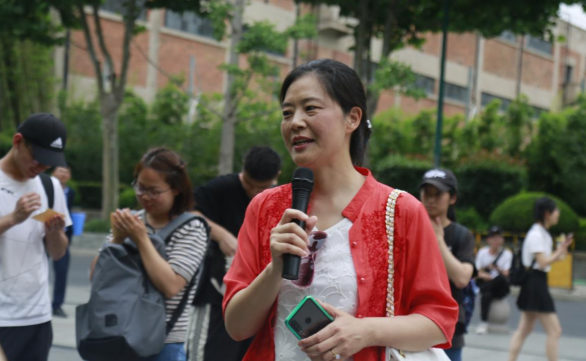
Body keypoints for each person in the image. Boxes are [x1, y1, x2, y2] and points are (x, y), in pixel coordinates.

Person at [223, 59, 458, 361]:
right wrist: (275, 268)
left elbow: (439, 321)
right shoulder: (264, 207)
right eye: (287, 112)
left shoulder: (400, 210)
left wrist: (366, 331)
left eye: (310, 108)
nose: (295, 122)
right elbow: (236, 327)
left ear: (352, 118)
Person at [91, 147, 209, 361]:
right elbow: (96, 277)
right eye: (140, 187)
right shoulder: (131, 220)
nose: (145, 196)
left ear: (176, 189)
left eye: (154, 191)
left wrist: (141, 239)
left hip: (163, 342)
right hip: (120, 335)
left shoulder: (192, 228)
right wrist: (116, 240)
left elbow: (171, 286)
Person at [0, 113, 72, 361]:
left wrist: (55, 233)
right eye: (38, 158)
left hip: (37, 317)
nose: (42, 167)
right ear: (18, 141)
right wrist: (13, 218)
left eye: (49, 162)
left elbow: (58, 253)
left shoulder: (50, 187)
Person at [189, 146, 281, 361]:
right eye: (249, 184)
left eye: (262, 187)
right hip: (216, 293)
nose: (254, 192)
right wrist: (220, 235)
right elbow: (188, 211)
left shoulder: (279, 198)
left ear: (277, 176)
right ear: (242, 170)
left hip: (257, 300)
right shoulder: (222, 188)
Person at [419, 169, 476, 361]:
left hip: (448, 330)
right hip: (412, 323)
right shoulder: (409, 228)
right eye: (426, 193)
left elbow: (462, 278)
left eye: (438, 194)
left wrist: (438, 240)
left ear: (452, 198)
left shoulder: (462, 235)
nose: (431, 200)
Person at [507, 198, 573, 361]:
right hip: (535, 282)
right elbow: (543, 262)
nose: (558, 214)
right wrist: (559, 252)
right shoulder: (536, 234)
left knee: (524, 330)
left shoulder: (542, 233)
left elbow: (545, 261)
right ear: (547, 213)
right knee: (554, 331)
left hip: (536, 281)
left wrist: (560, 250)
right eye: (556, 210)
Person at [474, 225, 512, 334]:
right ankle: (483, 322)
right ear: (488, 240)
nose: (496, 241)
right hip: (486, 284)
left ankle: (483, 322)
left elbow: (506, 273)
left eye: (498, 238)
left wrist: (496, 268)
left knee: (500, 279)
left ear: (502, 240)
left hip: (499, 286)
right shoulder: (482, 252)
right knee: (486, 294)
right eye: (493, 238)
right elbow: (475, 272)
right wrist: (486, 276)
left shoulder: (507, 254)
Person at [51, 165, 75, 318]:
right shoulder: (44, 188)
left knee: (62, 271)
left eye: (66, 172)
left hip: (62, 236)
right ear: (53, 173)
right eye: (60, 171)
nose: (63, 174)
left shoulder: (70, 192)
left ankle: (57, 304)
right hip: (42, 234)